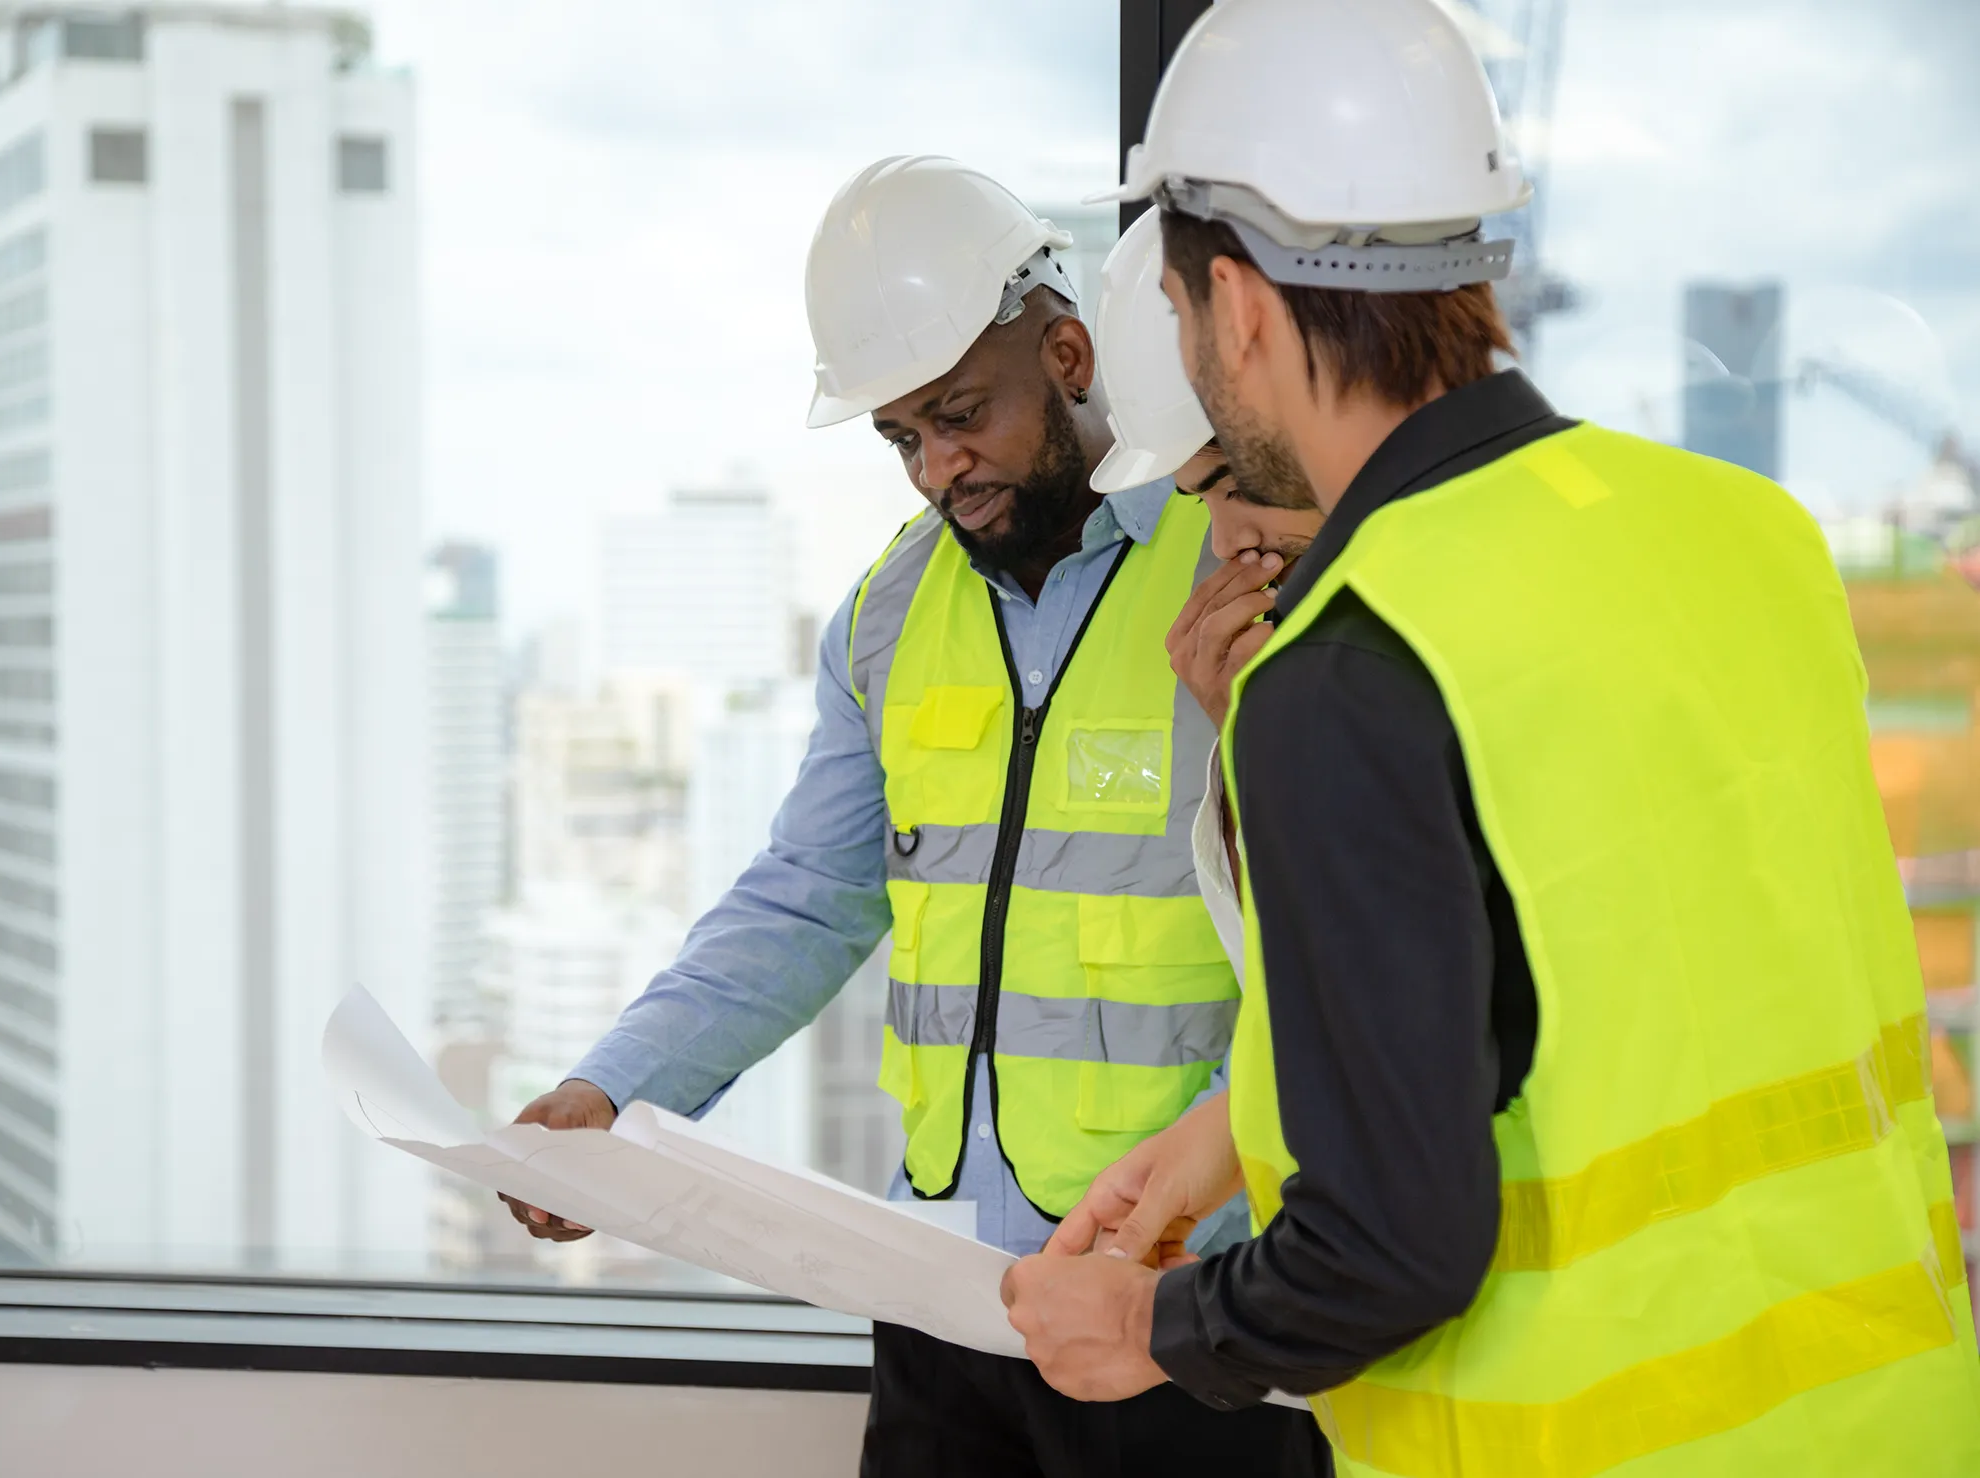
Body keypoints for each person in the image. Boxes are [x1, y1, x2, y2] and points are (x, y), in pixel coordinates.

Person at [1000, 1, 1980, 1473]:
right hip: (1896, 1419)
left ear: (1242, 305)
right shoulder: (1749, 534)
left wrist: (1144, 1329)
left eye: (1189, 320)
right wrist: (1228, 1134)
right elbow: (1615, 968)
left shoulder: (1348, 666)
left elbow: (1388, 1251)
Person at [501, 156, 1327, 1477]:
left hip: (1176, 1303)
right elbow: (803, 898)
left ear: (1065, 352)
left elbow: (1341, 931)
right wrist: (611, 1089)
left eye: (960, 415)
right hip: (942, 1302)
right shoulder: (889, 616)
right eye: (901, 438)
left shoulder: (1234, 556)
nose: (940, 469)